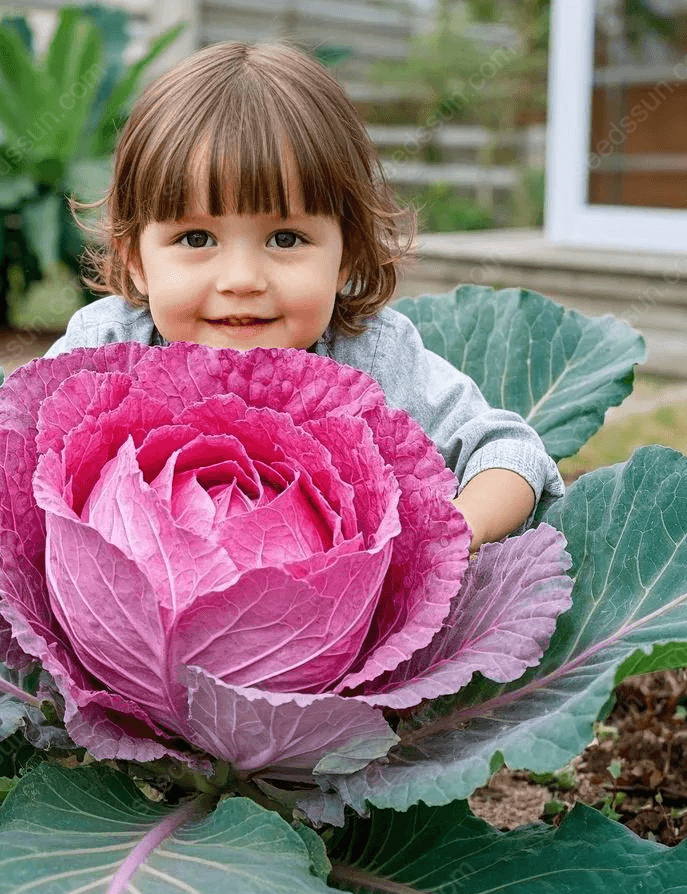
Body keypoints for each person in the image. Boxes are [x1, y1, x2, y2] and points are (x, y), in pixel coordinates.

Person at [46, 40, 564, 551]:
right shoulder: (102, 351)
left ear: (347, 255)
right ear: (135, 259)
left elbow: (509, 452)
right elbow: (14, 470)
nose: (242, 280)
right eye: (196, 239)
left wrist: (446, 536)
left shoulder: (371, 358)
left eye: (285, 239)